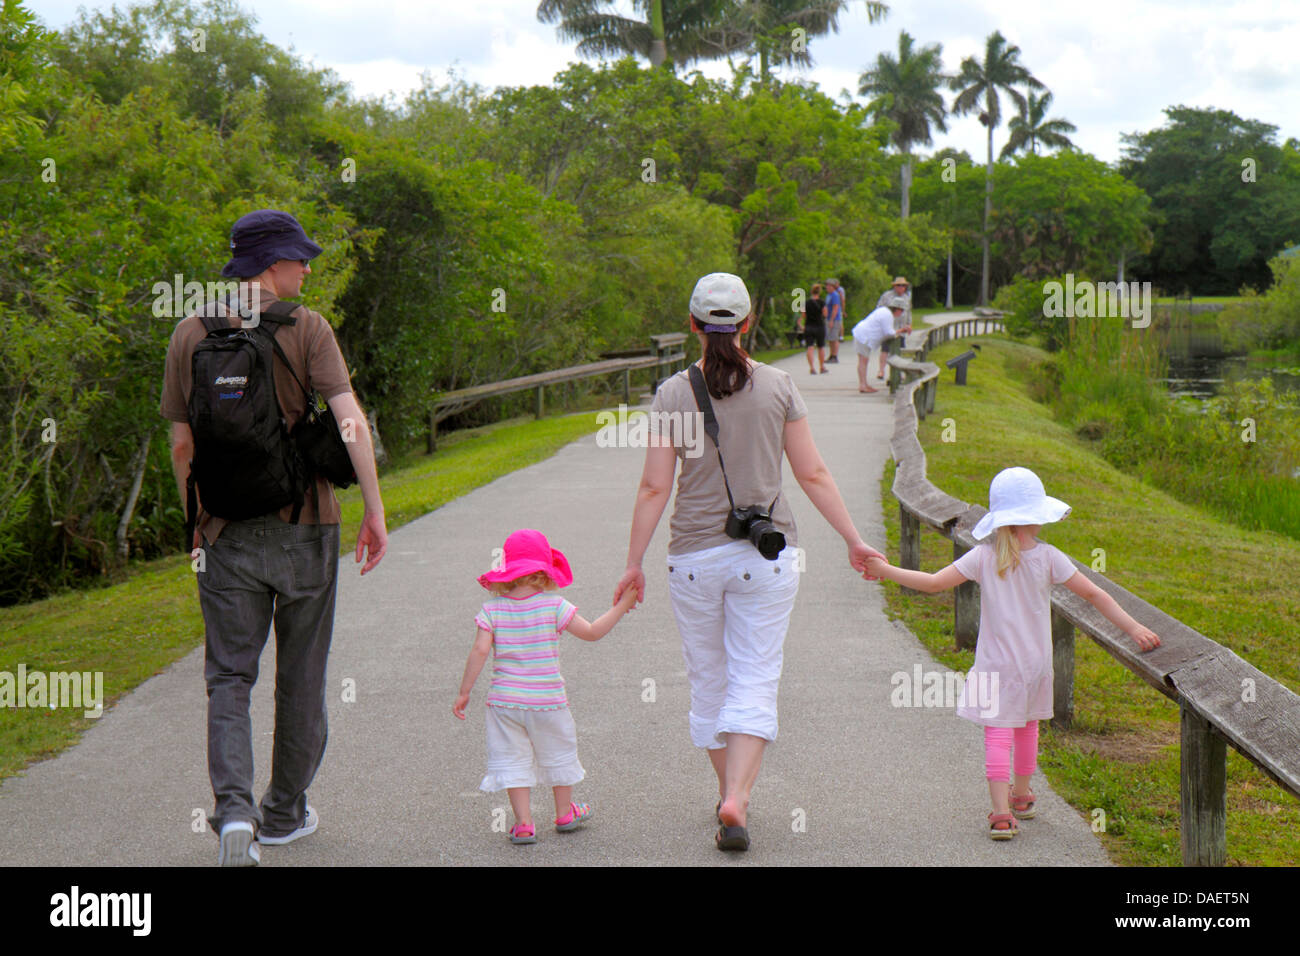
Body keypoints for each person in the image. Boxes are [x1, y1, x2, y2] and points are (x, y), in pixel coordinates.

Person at [615, 272, 885, 852]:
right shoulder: (780, 386)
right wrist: (853, 539)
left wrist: (633, 563)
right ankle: (737, 796)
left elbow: (653, 489)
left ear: (692, 325)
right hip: (764, 556)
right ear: (747, 323)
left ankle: (728, 795)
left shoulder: (670, 394)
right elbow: (812, 473)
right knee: (755, 676)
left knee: (709, 679)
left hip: (692, 559)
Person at [161, 209, 389, 867]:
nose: (308, 267)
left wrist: (197, 522)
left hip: (225, 535)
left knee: (228, 676)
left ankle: (235, 815)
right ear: (270, 262)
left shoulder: (189, 332)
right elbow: (351, 425)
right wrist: (374, 509)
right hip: (305, 528)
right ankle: (284, 814)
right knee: (303, 674)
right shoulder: (309, 329)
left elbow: (182, 445)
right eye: (299, 257)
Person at [863, 467, 1160, 840]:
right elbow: (1094, 595)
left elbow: (934, 584)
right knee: (1027, 727)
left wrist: (886, 570)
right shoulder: (1050, 557)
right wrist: (1133, 628)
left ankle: (1001, 816)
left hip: (994, 667)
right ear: (1034, 518)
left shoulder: (983, 557)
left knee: (997, 734)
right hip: (1034, 666)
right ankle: (1022, 796)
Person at [454, 529, 638, 844]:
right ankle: (565, 812)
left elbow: (480, 650)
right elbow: (592, 632)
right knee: (558, 752)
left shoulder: (493, 610)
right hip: (548, 702)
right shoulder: (554, 605)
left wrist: (465, 691)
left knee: (512, 759)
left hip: (505, 702)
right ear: (543, 570)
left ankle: (524, 823)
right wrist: (622, 606)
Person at [850, 297, 909, 393]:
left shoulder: (884, 311)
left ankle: (864, 384)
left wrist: (898, 331)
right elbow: (889, 333)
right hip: (864, 337)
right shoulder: (888, 315)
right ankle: (863, 385)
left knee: (863, 360)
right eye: (901, 310)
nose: (901, 313)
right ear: (897, 309)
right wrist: (902, 330)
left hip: (863, 335)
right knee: (863, 361)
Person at [799, 281, 828, 375]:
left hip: (809, 326)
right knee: (821, 347)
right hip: (819, 326)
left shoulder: (806, 303)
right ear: (819, 292)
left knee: (810, 347)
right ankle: (822, 366)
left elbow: (803, 315)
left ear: (811, 291)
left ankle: (812, 368)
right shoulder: (822, 302)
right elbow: (825, 314)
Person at [823, 278, 843, 363]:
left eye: (828, 285)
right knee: (830, 338)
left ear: (832, 286)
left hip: (834, 319)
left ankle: (835, 356)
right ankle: (831, 355)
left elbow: (835, 308)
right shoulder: (828, 295)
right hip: (828, 318)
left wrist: (831, 320)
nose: (826, 287)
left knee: (834, 338)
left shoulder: (835, 295)